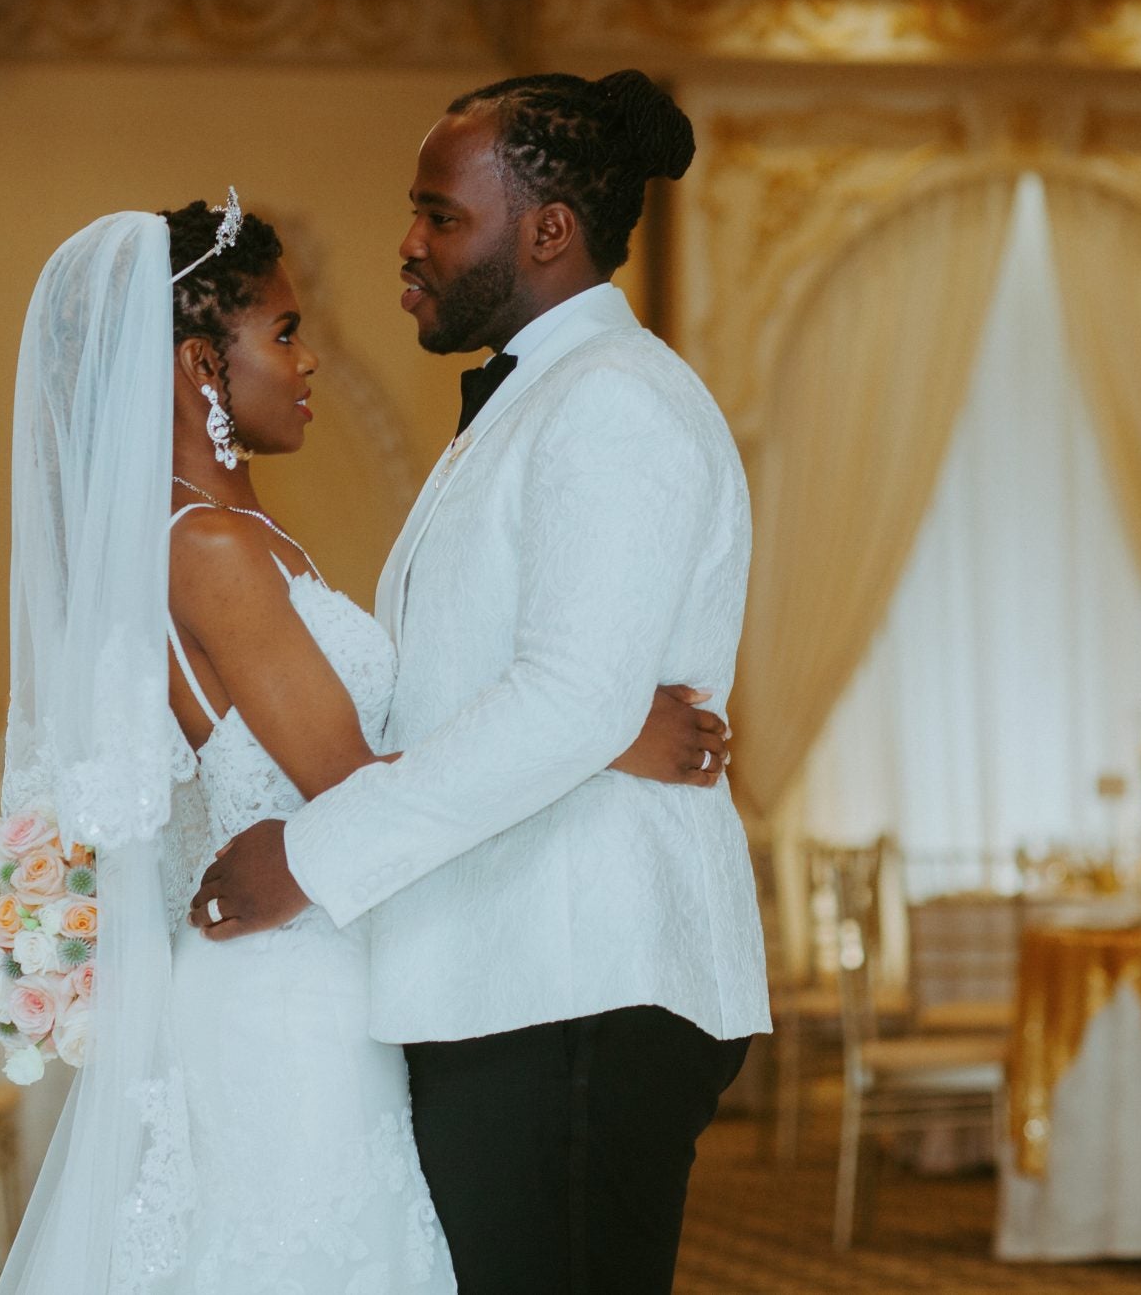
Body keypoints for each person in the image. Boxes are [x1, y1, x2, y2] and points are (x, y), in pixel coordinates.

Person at [0, 190, 726, 1295]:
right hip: (292, 998)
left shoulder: (236, 537)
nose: (309, 360)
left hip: (324, 970)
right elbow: (350, 786)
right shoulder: (210, 546)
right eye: (283, 332)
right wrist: (605, 730)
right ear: (201, 365)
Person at [193, 72, 771, 1294]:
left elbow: (566, 695)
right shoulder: (534, 401)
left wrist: (308, 855)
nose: (407, 243)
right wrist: (609, 728)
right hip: (513, 976)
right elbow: (532, 693)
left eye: (440, 215)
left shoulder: (613, 399)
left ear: (547, 229)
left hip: (576, 981)